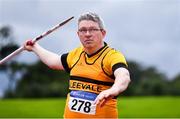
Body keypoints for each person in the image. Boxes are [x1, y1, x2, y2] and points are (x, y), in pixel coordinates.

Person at [24, 12, 131, 118]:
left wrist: (114, 90)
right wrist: (35, 48)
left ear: (103, 33)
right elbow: (54, 61)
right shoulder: (76, 54)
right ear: (78, 34)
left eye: (93, 29)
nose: (87, 34)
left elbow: (123, 76)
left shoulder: (112, 56)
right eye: (83, 30)